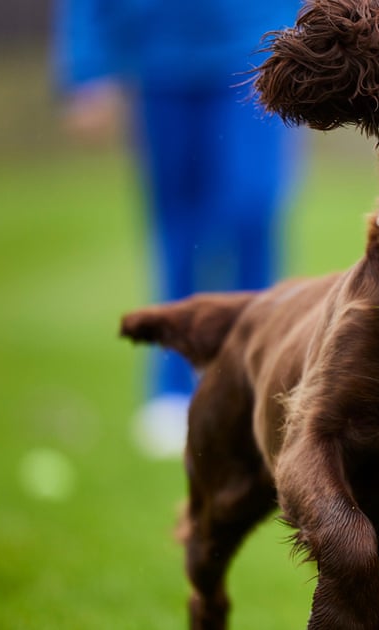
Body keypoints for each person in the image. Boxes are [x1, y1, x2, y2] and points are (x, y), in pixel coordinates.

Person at [54, 0, 303, 457]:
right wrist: (86, 67)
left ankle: (257, 381)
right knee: (178, 228)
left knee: (252, 210)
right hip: (160, 55)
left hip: (257, 43)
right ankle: (172, 387)